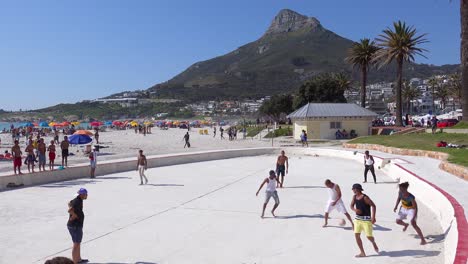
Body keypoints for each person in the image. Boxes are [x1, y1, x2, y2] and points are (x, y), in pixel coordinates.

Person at [350, 183, 379, 258]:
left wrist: (373, 217)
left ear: (359, 189)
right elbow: (351, 206)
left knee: (369, 237)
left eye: (354, 189)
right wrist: (355, 210)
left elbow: (373, 205)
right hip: (357, 220)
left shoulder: (365, 198)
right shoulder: (354, 197)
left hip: (366, 221)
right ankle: (362, 252)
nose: (353, 190)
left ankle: (373, 242)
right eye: (353, 189)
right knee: (356, 235)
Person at [67, 188, 89, 264]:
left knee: (78, 243)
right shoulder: (77, 201)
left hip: (76, 225)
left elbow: (69, 203)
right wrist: (74, 215)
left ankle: (78, 259)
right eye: (86, 194)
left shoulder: (78, 200)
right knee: (76, 244)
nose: (87, 196)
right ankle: (75, 262)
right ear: (81, 194)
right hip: (75, 226)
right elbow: (69, 210)